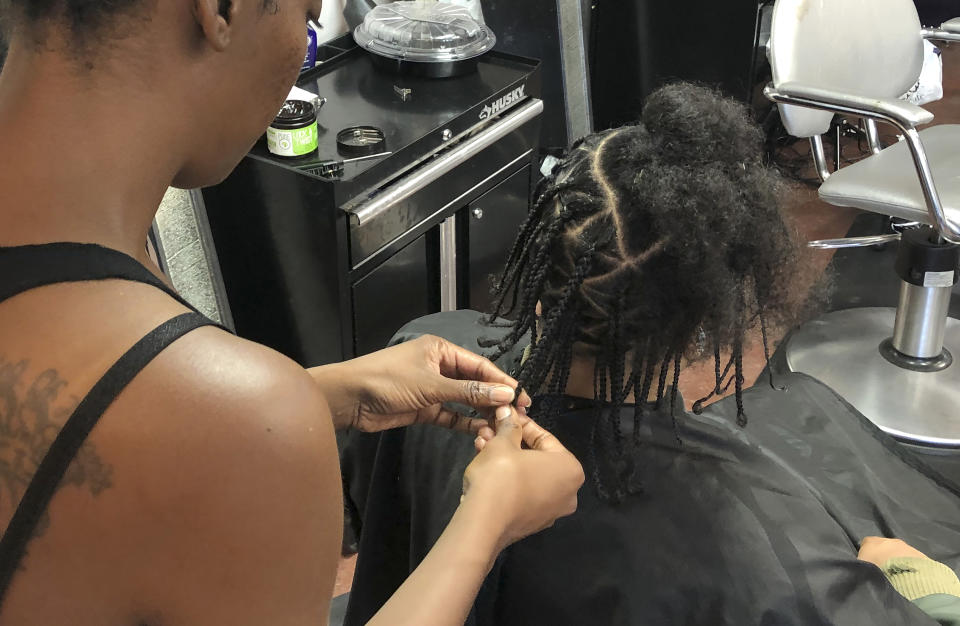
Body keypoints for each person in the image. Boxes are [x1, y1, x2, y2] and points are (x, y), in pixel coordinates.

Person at [0, 1, 585, 624]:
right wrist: (487, 522)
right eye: (307, 21)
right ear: (220, 9)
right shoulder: (236, 419)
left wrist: (322, 395)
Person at [342, 83, 960, 625]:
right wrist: (919, 587)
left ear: (546, 271)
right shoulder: (762, 552)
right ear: (705, 320)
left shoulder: (423, 356)